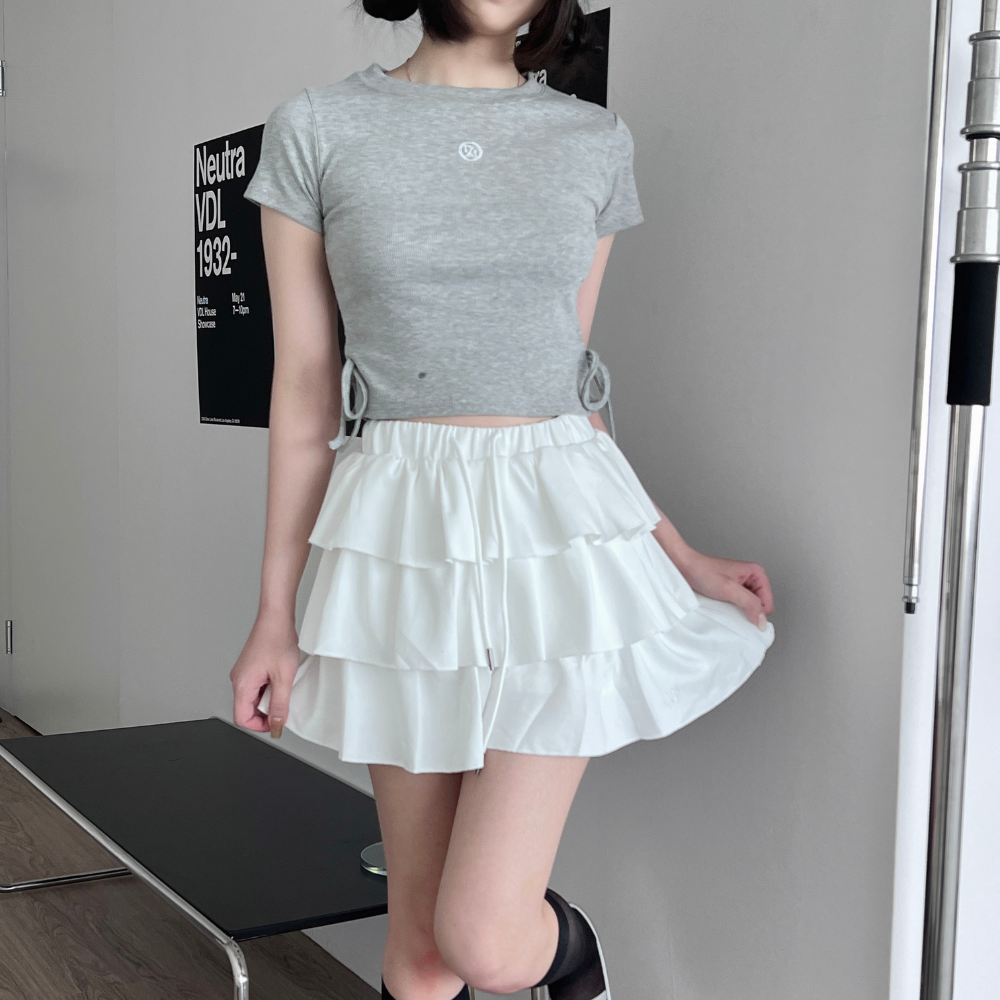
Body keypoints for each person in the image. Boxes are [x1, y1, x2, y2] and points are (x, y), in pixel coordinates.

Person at [231, 1, 776, 998]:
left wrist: (680, 554)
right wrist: (275, 615)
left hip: (552, 538)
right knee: (421, 955)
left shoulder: (591, 140)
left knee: (481, 937)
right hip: (400, 534)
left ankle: (567, 951)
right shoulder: (317, 127)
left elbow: (569, 388)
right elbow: (306, 385)